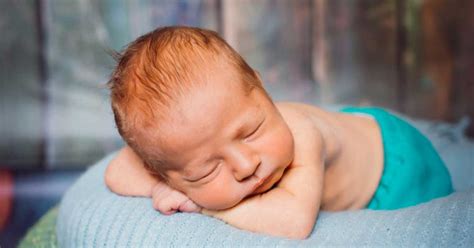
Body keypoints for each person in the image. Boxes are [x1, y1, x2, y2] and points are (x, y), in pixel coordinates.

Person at [105, 26, 453, 239]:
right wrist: (165, 184)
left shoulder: (302, 136)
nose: (246, 165)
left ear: (259, 84)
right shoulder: (182, 149)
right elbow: (117, 172)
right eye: (206, 170)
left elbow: (294, 223)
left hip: (393, 167)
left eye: (251, 131)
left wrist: (198, 201)